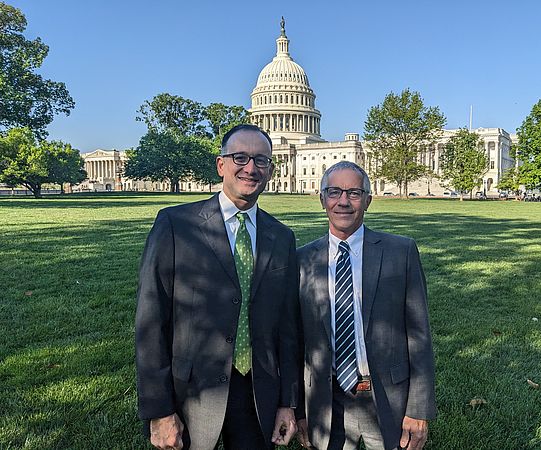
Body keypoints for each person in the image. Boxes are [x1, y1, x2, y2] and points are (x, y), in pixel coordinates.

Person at [135, 124, 300, 450]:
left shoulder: (282, 237)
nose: (250, 168)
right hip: (191, 393)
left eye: (261, 160)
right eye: (240, 157)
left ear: (270, 169)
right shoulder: (175, 225)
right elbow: (151, 321)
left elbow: (287, 328)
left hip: (257, 393)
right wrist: (160, 410)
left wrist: (287, 402)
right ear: (221, 164)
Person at [295, 161, 436, 450]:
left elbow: (419, 334)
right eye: (334, 192)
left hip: (386, 397)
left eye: (354, 193)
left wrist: (418, 409)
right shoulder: (301, 260)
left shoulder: (401, 252)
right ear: (322, 199)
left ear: (368, 200)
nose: (343, 201)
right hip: (327, 401)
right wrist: (299, 410)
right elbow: (295, 343)